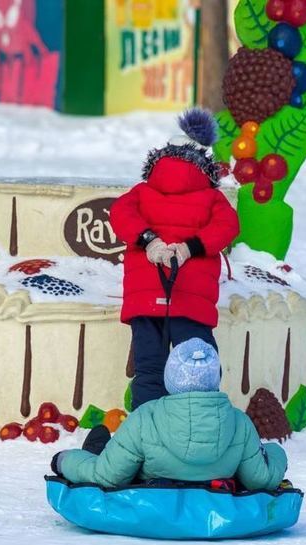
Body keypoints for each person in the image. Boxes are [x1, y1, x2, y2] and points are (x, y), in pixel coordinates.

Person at [109, 108, 240, 410]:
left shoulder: (141, 192)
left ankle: (145, 434)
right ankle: (198, 429)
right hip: (190, 300)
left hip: (145, 298)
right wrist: (191, 247)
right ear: (204, 164)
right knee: (198, 369)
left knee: (149, 370)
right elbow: (228, 227)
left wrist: (148, 241)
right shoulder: (211, 197)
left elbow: (119, 214)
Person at [51, 338, 287, 491]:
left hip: (154, 498)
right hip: (215, 488)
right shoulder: (240, 423)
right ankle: (99, 445)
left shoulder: (146, 418)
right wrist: (276, 452)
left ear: (170, 378)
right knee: (110, 447)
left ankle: (95, 448)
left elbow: (106, 476)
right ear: (215, 379)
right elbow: (260, 479)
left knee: (103, 453)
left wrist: (63, 459)